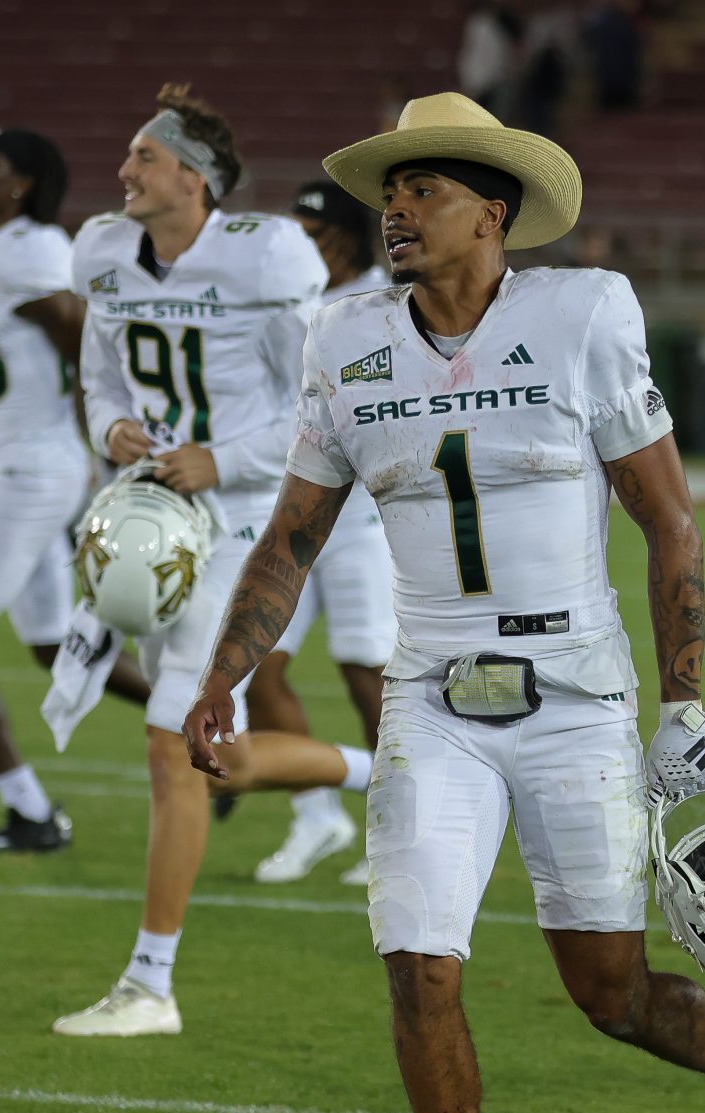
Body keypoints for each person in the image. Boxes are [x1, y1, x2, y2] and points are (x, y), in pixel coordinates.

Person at [184, 94, 705, 1113]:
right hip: (432, 698)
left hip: (574, 696)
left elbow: (668, 518)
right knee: (418, 963)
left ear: (495, 214)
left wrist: (683, 703)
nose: (397, 209)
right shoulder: (346, 336)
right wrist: (225, 670)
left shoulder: (582, 313)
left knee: (606, 990)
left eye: (426, 189)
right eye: (391, 190)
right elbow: (290, 536)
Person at [52, 84, 374, 1037]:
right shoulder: (106, 252)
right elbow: (99, 374)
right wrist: (110, 426)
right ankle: (384, 774)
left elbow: (318, 403)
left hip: (238, 517)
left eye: (143, 159)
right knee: (212, 759)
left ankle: (151, 984)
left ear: (192, 179)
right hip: (152, 508)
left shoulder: (262, 257)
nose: (124, 173)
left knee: (170, 750)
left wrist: (222, 459)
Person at [0, 127, 148, 855]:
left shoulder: (30, 249)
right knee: (58, 650)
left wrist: (113, 444)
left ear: (20, 183)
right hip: (22, 465)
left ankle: (29, 812)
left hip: (34, 471)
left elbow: (87, 343)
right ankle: (228, 734)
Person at [247, 180, 397, 888]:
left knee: (368, 673)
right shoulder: (286, 299)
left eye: (313, 231)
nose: (302, 245)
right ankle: (315, 817)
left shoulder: (381, 298)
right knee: (258, 665)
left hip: (364, 515)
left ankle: (398, 833)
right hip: (297, 513)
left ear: (342, 235)